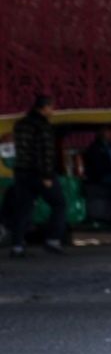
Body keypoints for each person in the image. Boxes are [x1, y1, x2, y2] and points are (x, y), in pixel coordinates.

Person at [8, 93, 67, 256]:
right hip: (39, 173)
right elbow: (45, 153)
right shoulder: (43, 126)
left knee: (23, 208)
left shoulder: (20, 124)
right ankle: (53, 239)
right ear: (44, 107)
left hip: (21, 172)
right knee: (59, 204)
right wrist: (47, 175)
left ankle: (17, 245)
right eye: (50, 107)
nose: (52, 111)